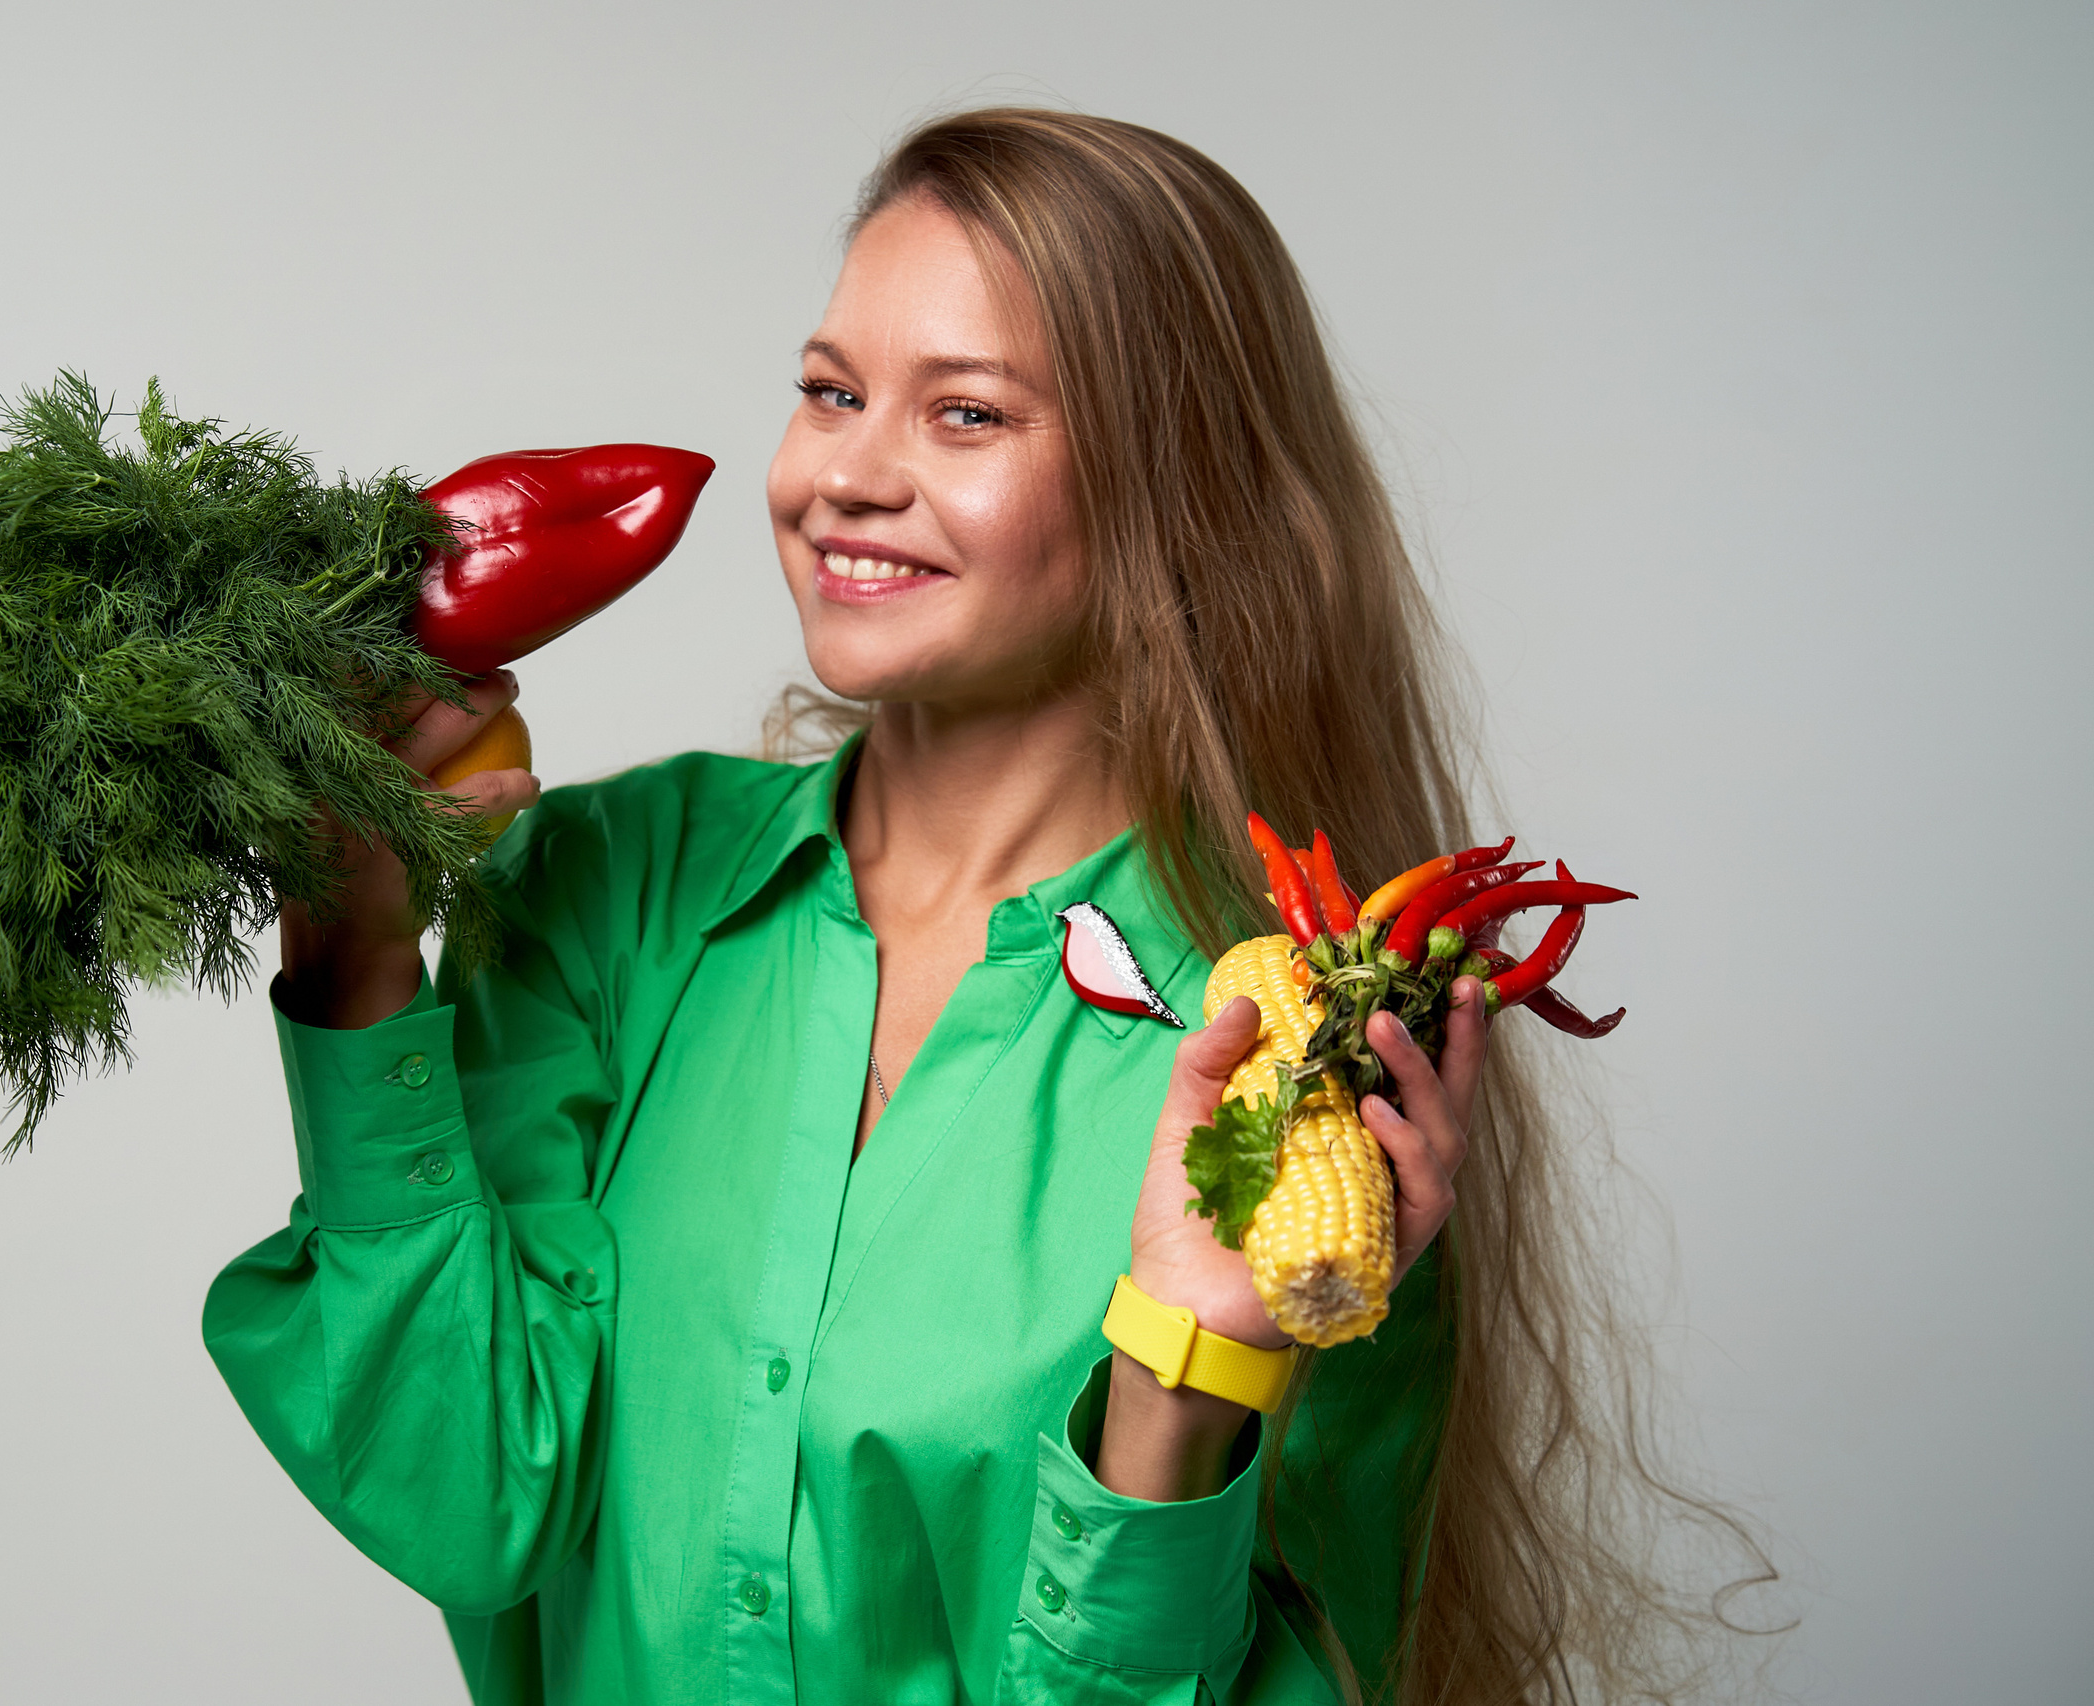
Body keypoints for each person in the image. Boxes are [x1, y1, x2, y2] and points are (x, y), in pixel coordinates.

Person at [206, 109, 1747, 1705]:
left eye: (966, 414)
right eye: (829, 392)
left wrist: (1185, 1373)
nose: (846, 477)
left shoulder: (1304, 1049)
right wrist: (354, 950)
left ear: (1172, 493)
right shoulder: (603, 889)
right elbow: (473, 1497)